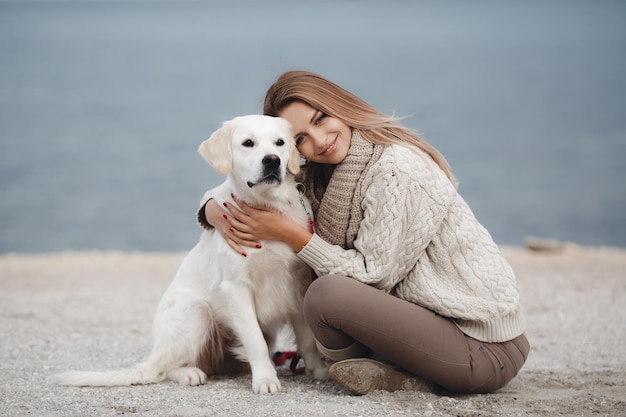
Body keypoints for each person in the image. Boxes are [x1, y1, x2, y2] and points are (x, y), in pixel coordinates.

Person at [197, 70, 529, 395]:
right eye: (300, 139)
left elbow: (374, 277)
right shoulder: (319, 172)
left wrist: (292, 235)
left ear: (338, 105)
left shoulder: (396, 167)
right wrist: (213, 209)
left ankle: (398, 375)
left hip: (482, 346)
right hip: (433, 330)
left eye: (321, 119)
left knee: (326, 295)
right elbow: (246, 180)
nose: (320, 140)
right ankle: (385, 367)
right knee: (321, 297)